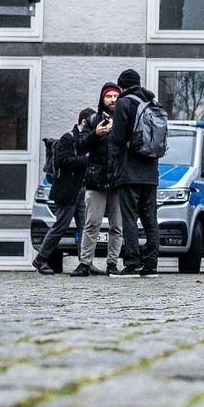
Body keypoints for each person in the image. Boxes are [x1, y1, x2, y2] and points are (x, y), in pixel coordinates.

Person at [103, 69, 164, 278]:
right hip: (151, 171)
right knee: (150, 219)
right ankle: (151, 265)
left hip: (129, 170)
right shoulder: (152, 103)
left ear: (122, 86)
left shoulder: (124, 102)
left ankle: (131, 264)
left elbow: (118, 138)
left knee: (129, 218)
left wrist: (111, 134)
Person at [74, 81, 127, 276]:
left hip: (118, 180)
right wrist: (95, 134)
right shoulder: (93, 119)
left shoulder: (124, 120)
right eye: (109, 96)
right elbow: (79, 146)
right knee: (92, 223)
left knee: (117, 226)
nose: (113, 100)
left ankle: (112, 263)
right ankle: (85, 262)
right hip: (96, 180)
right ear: (102, 99)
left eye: (115, 96)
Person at [36, 106, 95, 275]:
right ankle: (40, 259)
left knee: (84, 227)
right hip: (66, 191)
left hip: (80, 190)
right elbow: (64, 161)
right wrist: (87, 160)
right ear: (84, 122)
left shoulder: (84, 140)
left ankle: (85, 262)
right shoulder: (67, 139)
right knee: (60, 226)